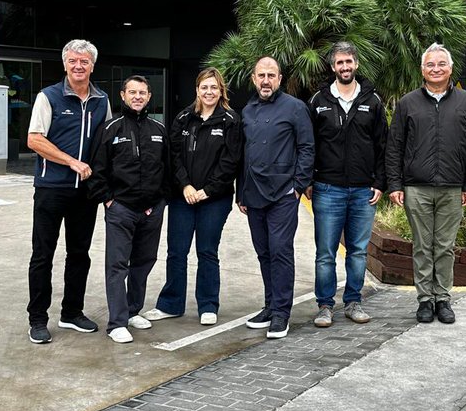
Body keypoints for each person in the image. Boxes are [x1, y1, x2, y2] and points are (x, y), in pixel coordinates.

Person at [387, 43, 466, 325]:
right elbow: (394, 147)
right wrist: (395, 184)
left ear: (450, 69)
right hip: (416, 188)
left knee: (444, 246)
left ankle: (442, 298)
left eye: (441, 64)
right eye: (430, 65)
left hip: (453, 188)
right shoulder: (408, 103)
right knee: (421, 246)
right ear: (422, 70)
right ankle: (424, 301)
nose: (436, 69)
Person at [26, 39, 110, 345]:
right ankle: (37, 319)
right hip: (51, 189)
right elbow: (34, 139)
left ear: (92, 66)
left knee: (79, 254)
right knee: (42, 255)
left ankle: (72, 312)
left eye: (84, 62)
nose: (78, 66)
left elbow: (105, 145)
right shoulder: (48, 97)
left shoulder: (102, 100)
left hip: (85, 194)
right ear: (65, 64)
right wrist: (71, 162)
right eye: (73, 61)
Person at [146, 68, 242, 325]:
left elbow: (231, 162)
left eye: (214, 87)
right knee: (176, 251)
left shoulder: (231, 120)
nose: (209, 92)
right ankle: (171, 304)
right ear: (197, 90)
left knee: (207, 251)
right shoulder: (183, 118)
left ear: (221, 90)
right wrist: (185, 186)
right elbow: (173, 156)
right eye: (204, 87)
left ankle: (208, 305)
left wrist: (208, 190)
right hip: (183, 197)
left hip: (215, 198)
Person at [306, 41, 388, 327]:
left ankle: (353, 302)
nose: (344, 67)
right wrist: (308, 180)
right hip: (327, 189)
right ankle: (325, 306)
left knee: (357, 250)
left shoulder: (373, 101)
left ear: (356, 64)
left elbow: (382, 146)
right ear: (333, 67)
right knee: (325, 252)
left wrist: (380, 182)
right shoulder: (318, 101)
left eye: (348, 62)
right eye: (339, 63)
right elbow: (309, 145)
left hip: (363, 190)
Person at [88, 76, 170, 343]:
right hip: (121, 209)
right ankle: (117, 323)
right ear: (122, 95)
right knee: (117, 265)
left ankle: (133, 310)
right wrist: (109, 200)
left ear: (149, 96)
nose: (137, 96)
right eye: (132, 92)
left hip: (152, 210)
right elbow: (98, 169)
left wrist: (161, 202)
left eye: (142, 92)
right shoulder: (110, 128)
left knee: (144, 262)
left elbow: (168, 169)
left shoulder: (158, 128)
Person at [239, 56, 315, 340]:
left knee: (281, 251)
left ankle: (282, 313)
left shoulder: (295, 108)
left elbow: (307, 148)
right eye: (261, 75)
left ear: (280, 79)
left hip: (283, 194)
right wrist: (241, 192)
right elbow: (244, 155)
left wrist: (297, 186)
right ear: (254, 78)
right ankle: (270, 306)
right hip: (253, 194)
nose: (266, 80)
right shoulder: (248, 110)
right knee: (264, 253)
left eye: (271, 75)